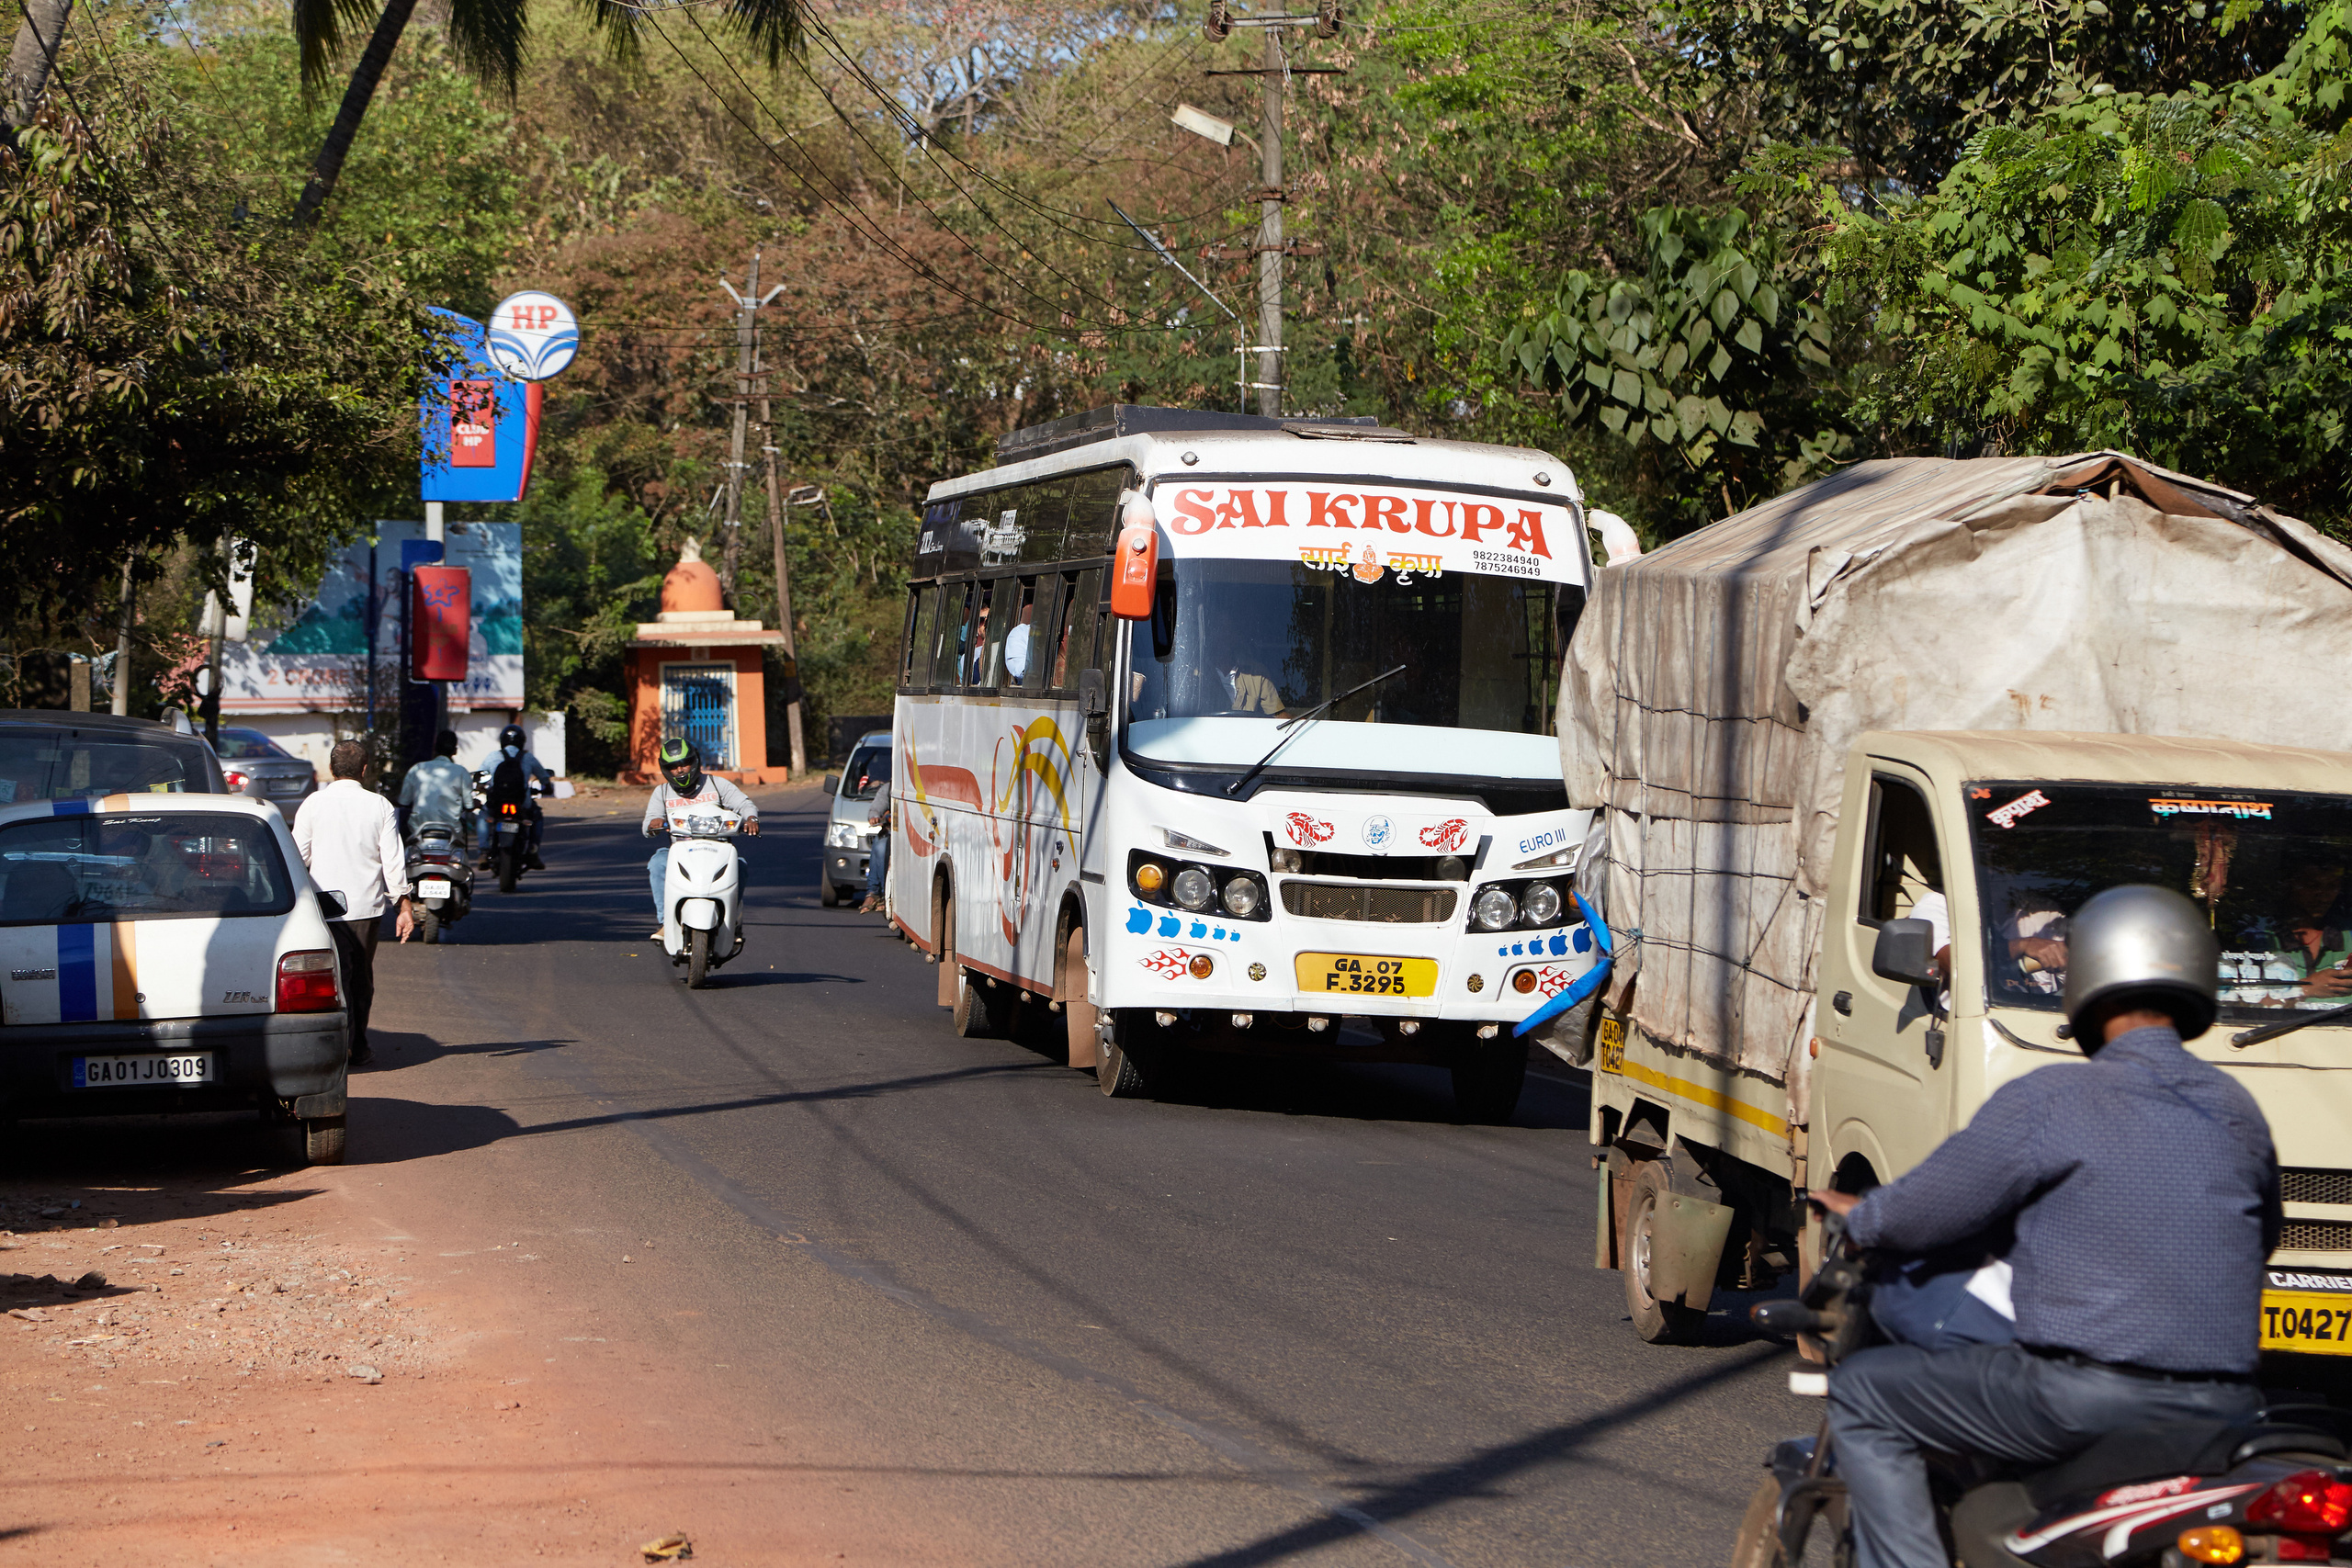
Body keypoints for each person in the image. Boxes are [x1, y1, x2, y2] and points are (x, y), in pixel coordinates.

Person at [1815, 884, 2278, 1568]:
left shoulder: (2051, 1097)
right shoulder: (2238, 1108)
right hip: (2230, 1405)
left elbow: (1928, 1209)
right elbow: (2259, 1235)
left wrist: (1865, 1214)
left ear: (2086, 977)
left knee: (1863, 1393)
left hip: (2082, 1397)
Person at [292, 740, 415, 1068]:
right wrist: (404, 905)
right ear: (364, 770)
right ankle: (357, 1046)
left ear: (331, 770)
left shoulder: (313, 804)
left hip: (322, 910)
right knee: (360, 980)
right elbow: (392, 861)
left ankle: (332, 1049)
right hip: (365, 909)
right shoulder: (380, 806)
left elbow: (296, 858)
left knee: (332, 980)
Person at [642, 738, 759, 940]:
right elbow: (649, 822)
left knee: (740, 867)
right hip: (679, 852)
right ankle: (665, 922)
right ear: (665, 770)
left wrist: (751, 818)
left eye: (684, 763)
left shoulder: (717, 784)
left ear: (695, 762)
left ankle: (732, 921)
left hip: (718, 851)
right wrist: (655, 824)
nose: (680, 770)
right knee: (657, 863)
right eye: (673, 767)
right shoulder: (661, 793)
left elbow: (745, 804)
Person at [475, 723, 554, 871]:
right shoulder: (528, 757)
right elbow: (544, 779)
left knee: (483, 815)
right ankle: (533, 851)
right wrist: (547, 788)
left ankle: (484, 851)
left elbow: (480, 777)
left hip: (496, 802)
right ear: (522, 741)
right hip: (522, 803)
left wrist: (481, 788)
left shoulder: (493, 756)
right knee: (536, 817)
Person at [397, 728, 473, 846]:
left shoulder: (417, 769)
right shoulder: (461, 772)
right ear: (455, 751)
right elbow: (469, 805)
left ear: (434, 748)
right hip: (452, 831)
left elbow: (404, 802)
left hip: (418, 828)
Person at [862, 786, 891, 914]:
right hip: (892, 831)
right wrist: (875, 816)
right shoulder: (889, 787)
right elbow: (878, 805)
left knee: (881, 846)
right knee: (879, 845)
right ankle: (873, 892)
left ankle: (884, 894)